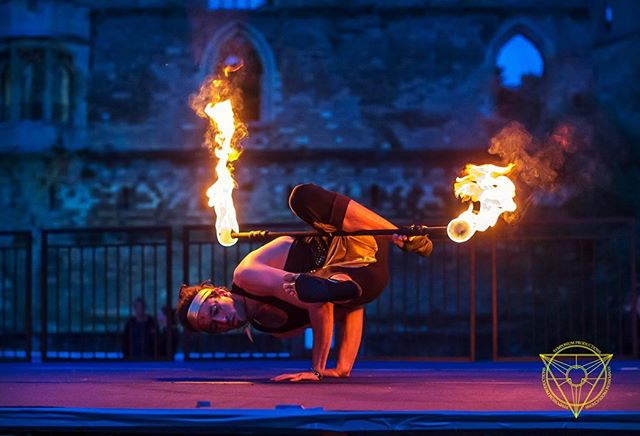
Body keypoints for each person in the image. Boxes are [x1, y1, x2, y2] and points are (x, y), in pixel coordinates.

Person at [177, 183, 432, 381]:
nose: (222, 321)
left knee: (301, 196)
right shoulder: (277, 329)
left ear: (219, 292)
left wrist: (317, 370)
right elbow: (348, 309)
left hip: (354, 239)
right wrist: (342, 369)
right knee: (339, 292)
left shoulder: (246, 275)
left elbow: (318, 304)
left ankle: (400, 237)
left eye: (215, 310)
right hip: (366, 276)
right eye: (213, 326)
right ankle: (338, 282)